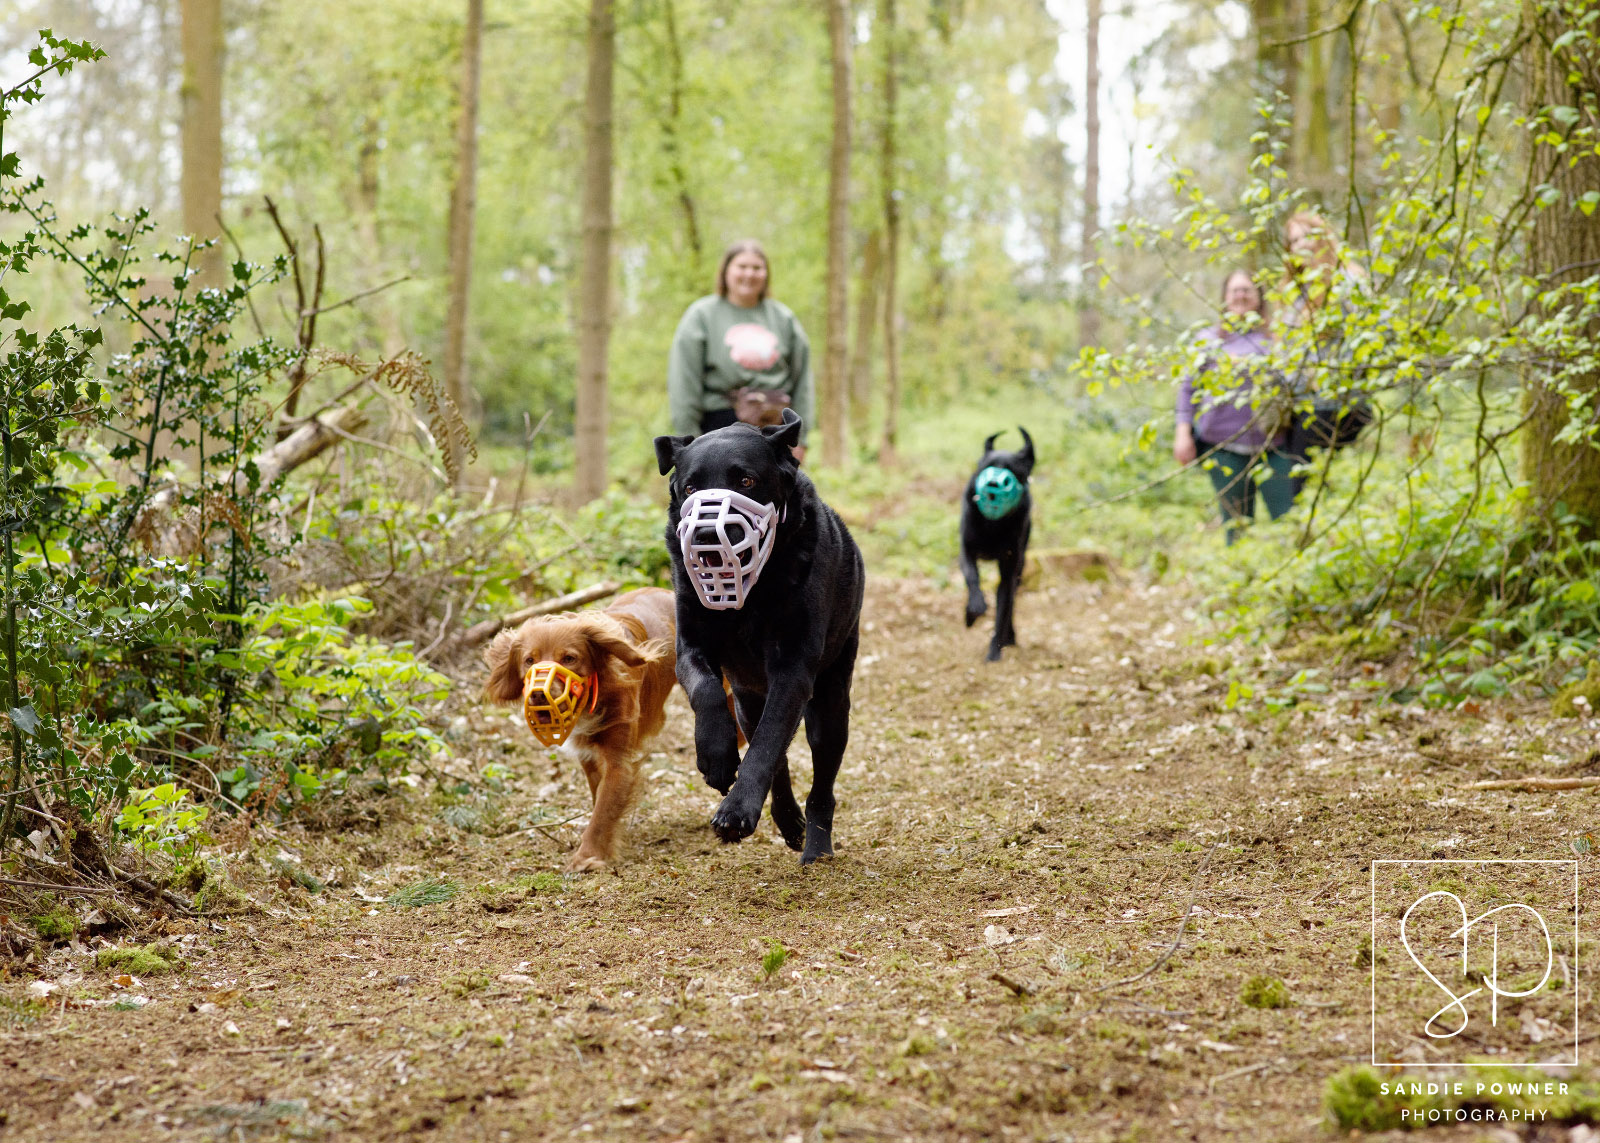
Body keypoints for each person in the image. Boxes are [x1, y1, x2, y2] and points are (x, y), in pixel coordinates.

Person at [1174, 269, 1298, 543]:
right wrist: (1182, 434)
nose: (1241, 295)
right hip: (1223, 448)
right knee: (1237, 526)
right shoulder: (1207, 340)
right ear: (1225, 298)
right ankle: (1240, 579)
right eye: (1235, 290)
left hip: (1273, 446)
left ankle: (1292, 579)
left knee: (1289, 522)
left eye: (1247, 290)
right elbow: (1188, 389)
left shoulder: (1278, 339)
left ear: (1259, 298)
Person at [667, 240, 814, 462]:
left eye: (757, 268)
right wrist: (689, 440)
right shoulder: (701, 316)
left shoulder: (783, 318)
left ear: (766, 274)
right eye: (742, 266)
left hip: (776, 429)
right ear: (726, 271)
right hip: (718, 427)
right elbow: (684, 381)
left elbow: (803, 381)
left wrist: (800, 437)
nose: (749, 274)